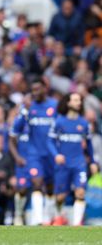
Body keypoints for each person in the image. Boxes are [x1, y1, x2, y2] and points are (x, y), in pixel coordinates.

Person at [47, 93, 99, 225]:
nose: (79, 103)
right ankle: (58, 216)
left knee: (80, 192)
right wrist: (56, 154)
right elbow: (50, 141)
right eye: (75, 100)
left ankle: (77, 224)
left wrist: (92, 162)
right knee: (60, 197)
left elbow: (89, 145)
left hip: (79, 163)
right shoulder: (59, 122)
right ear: (68, 103)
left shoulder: (84, 123)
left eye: (80, 100)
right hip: (63, 164)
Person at [15, 77, 57, 225]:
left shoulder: (54, 106)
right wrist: (25, 110)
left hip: (51, 154)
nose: (35, 93)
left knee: (50, 186)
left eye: (37, 89)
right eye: (32, 90)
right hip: (34, 154)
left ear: (45, 89)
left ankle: (49, 216)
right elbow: (16, 129)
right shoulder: (29, 107)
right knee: (37, 183)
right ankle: (37, 220)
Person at [9, 94, 32, 225]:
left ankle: (45, 217)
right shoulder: (20, 122)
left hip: (38, 159)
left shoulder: (40, 121)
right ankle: (18, 214)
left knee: (43, 186)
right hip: (23, 159)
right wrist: (17, 157)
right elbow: (11, 140)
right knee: (22, 188)